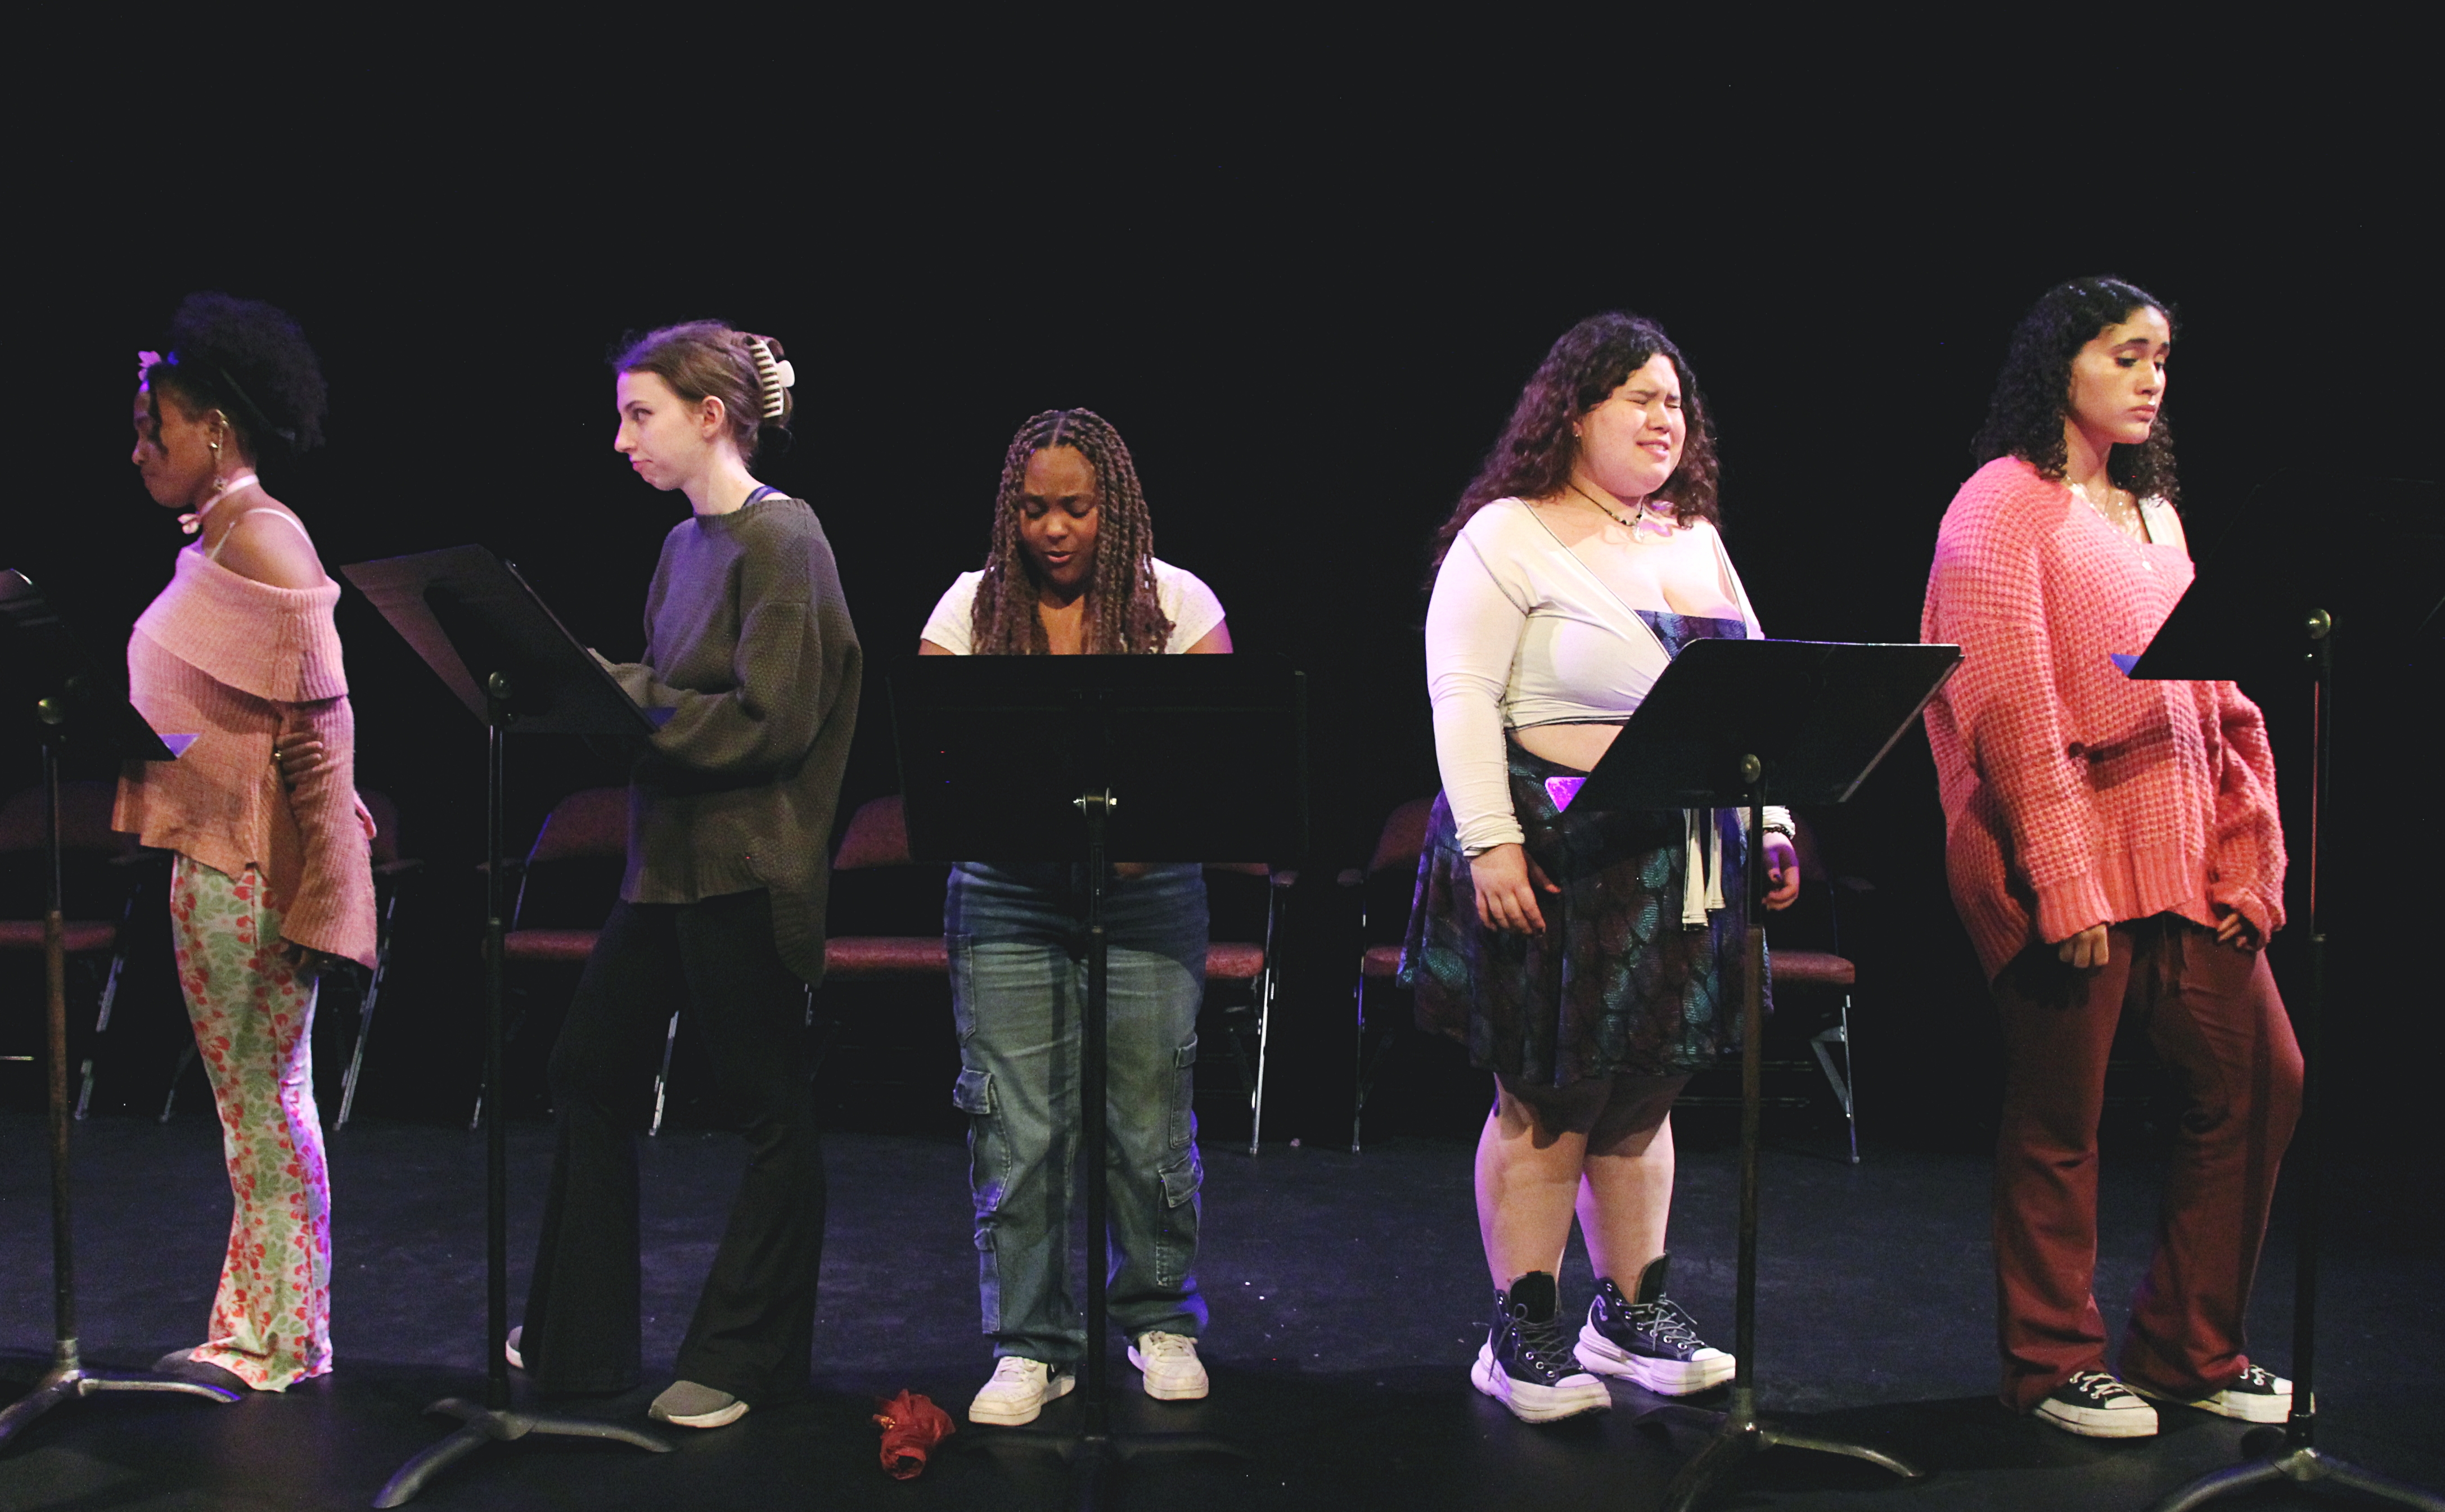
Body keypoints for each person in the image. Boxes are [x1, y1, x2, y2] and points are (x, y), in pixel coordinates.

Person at [1922, 277, 2302, 1439]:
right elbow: (2003, 702)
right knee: (2059, 1115)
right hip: (2068, 858)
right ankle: (2048, 1362)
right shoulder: (1999, 506)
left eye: (2160, 361)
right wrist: (2060, 876)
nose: (2150, 378)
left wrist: (2250, 858)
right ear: (2060, 366)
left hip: (2182, 855)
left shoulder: (2154, 515)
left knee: (2260, 1078)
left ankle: (2189, 1344)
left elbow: (2218, 698)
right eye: (2125, 354)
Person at [1403, 312, 1799, 1424]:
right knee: (1550, 1094)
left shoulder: (1690, 538)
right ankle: (1519, 1328)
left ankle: (1627, 1313)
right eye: (1636, 395)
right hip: (1554, 849)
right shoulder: (1509, 533)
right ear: (1570, 413)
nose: (1662, 417)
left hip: (1680, 860)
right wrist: (1489, 840)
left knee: (1645, 1087)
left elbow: (1752, 698)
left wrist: (1766, 827)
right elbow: (1462, 695)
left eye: (1674, 400)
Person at [511, 322, 861, 1430]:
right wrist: (597, 698)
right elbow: (666, 699)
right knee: (586, 1070)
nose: (622, 440)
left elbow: (770, 720)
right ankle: (579, 1335)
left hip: (745, 868)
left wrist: (612, 694)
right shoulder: (680, 548)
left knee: (764, 1105)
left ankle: (743, 1358)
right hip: (661, 867)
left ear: (711, 416)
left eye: (639, 414)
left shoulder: (782, 539)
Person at [918, 407, 1230, 1427]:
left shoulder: (1175, 604)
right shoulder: (968, 611)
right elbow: (937, 761)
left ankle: (1160, 1319)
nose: (1055, 529)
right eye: (1035, 508)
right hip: (1009, 891)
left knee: (1149, 1120)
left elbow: (1211, 763)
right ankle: (1030, 1344)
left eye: (1078, 509)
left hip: (1144, 890)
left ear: (1117, 508)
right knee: (1016, 1127)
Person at [118, 293, 376, 1392]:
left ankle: (285, 1339)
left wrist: (329, 899)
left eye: (154, 429)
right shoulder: (227, 533)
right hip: (216, 861)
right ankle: (254, 1325)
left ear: (214, 427)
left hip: (255, 877)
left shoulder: (266, 536)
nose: (139, 452)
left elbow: (323, 742)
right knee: (254, 1114)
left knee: (266, 1108)